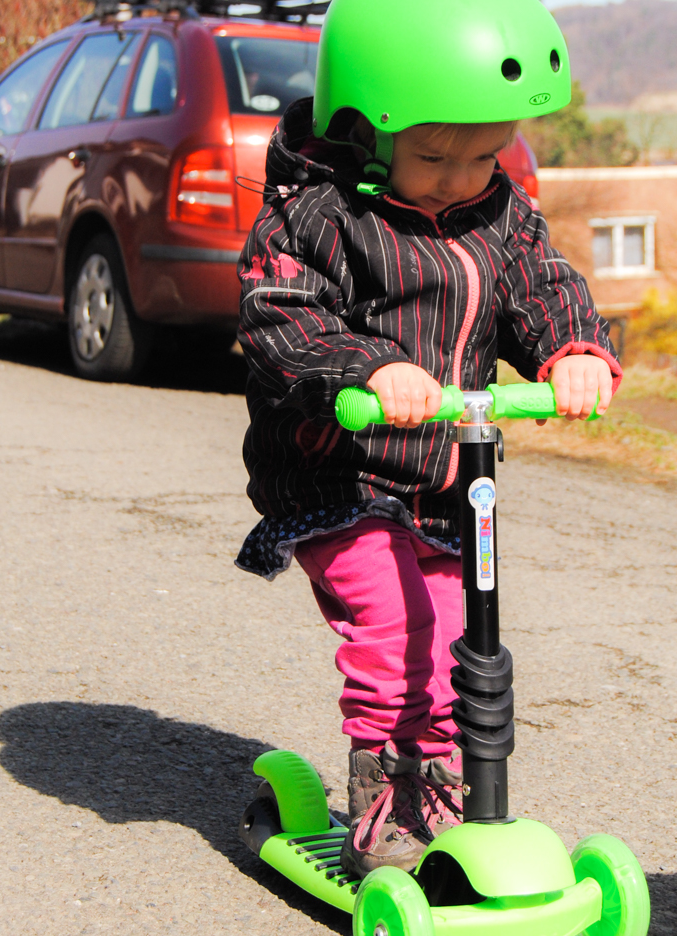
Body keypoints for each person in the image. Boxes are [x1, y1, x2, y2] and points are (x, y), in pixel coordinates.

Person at [234, 0, 621, 878]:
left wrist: (574, 350)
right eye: (433, 156)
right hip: (339, 475)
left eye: (483, 155)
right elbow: (278, 316)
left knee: (454, 637)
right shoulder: (315, 216)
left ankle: (436, 778)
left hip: (448, 479)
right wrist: (367, 370)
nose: (458, 177)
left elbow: (541, 286)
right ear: (363, 132)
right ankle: (385, 790)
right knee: (391, 629)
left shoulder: (501, 213)